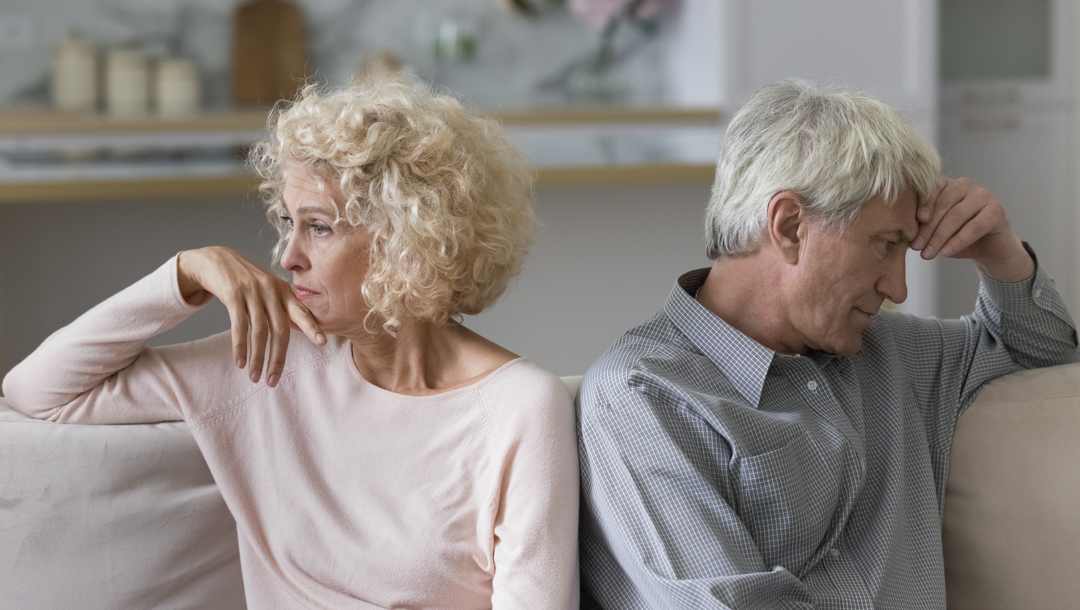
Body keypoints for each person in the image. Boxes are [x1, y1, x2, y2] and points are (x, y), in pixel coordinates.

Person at [2, 76, 579, 609]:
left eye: (319, 227)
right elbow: (38, 391)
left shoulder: (519, 408)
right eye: (288, 223)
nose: (288, 256)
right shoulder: (268, 361)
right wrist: (187, 272)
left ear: (407, 239)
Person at [577, 80, 1079, 609]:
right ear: (790, 225)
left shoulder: (895, 354)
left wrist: (999, 253)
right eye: (885, 246)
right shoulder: (644, 397)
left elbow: (1043, 361)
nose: (898, 288)